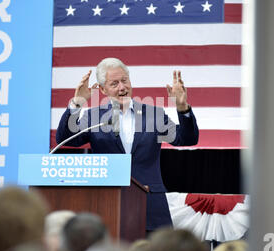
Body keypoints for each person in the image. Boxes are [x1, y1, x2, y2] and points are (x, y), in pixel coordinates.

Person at [56, 57, 199, 231]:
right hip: (107, 204)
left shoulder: (153, 114)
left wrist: (182, 107)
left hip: (150, 205)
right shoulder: (94, 117)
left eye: (124, 80)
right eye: (114, 83)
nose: (122, 87)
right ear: (102, 89)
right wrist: (77, 103)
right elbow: (64, 138)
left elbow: (186, 139)